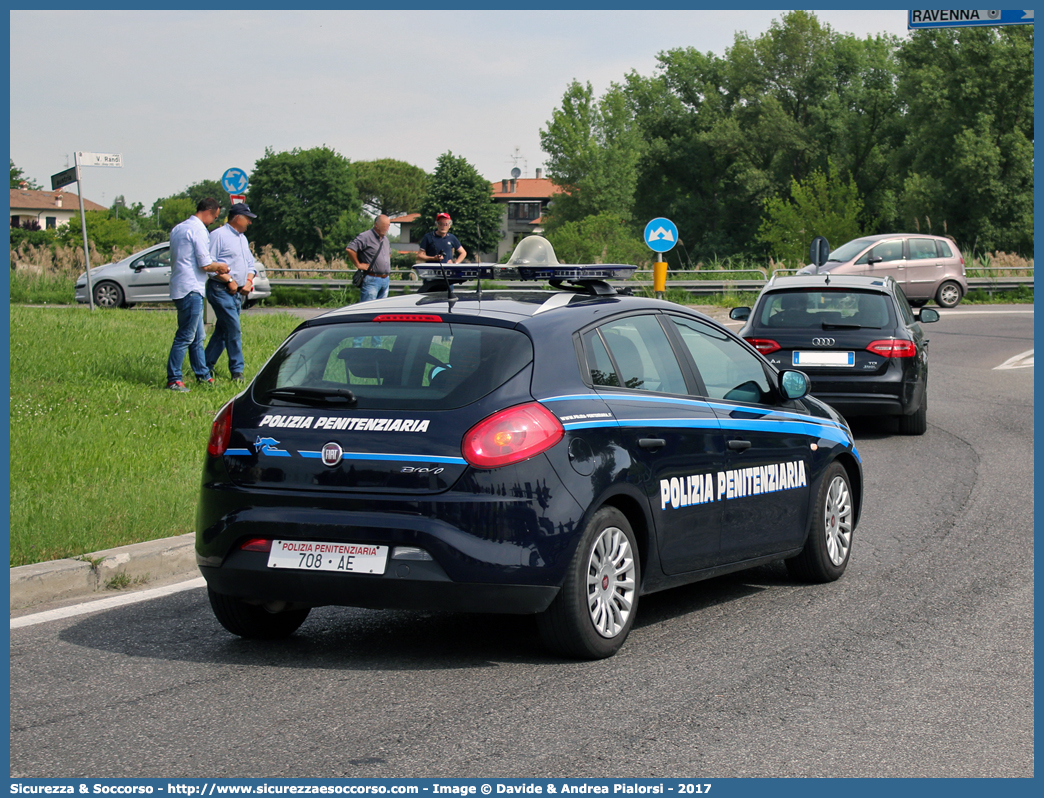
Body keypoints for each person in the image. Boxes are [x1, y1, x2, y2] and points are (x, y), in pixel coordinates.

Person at [166, 198, 228, 391]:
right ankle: (174, 378)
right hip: (191, 288)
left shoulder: (178, 228)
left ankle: (203, 375)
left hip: (179, 286)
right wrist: (221, 267)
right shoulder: (199, 230)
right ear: (209, 212)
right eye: (214, 218)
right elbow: (205, 263)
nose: (213, 222)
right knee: (186, 335)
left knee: (197, 336)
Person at [204, 203, 258, 382]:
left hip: (237, 293)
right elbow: (209, 265)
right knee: (233, 328)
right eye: (248, 218)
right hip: (220, 289)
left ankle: (205, 366)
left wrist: (248, 281)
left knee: (223, 331)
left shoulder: (242, 238)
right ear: (237, 217)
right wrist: (230, 280)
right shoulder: (218, 236)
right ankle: (237, 372)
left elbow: (251, 264)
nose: (249, 222)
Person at [346, 214, 392, 302]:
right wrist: (358, 264)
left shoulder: (385, 239)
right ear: (376, 225)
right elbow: (350, 249)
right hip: (372, 279)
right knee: (368, 309)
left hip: (385, 279)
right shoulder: (365, 236)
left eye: (388, 226)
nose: (386, 229)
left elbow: (388, 254)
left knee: (381, 310)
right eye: (384, 226)